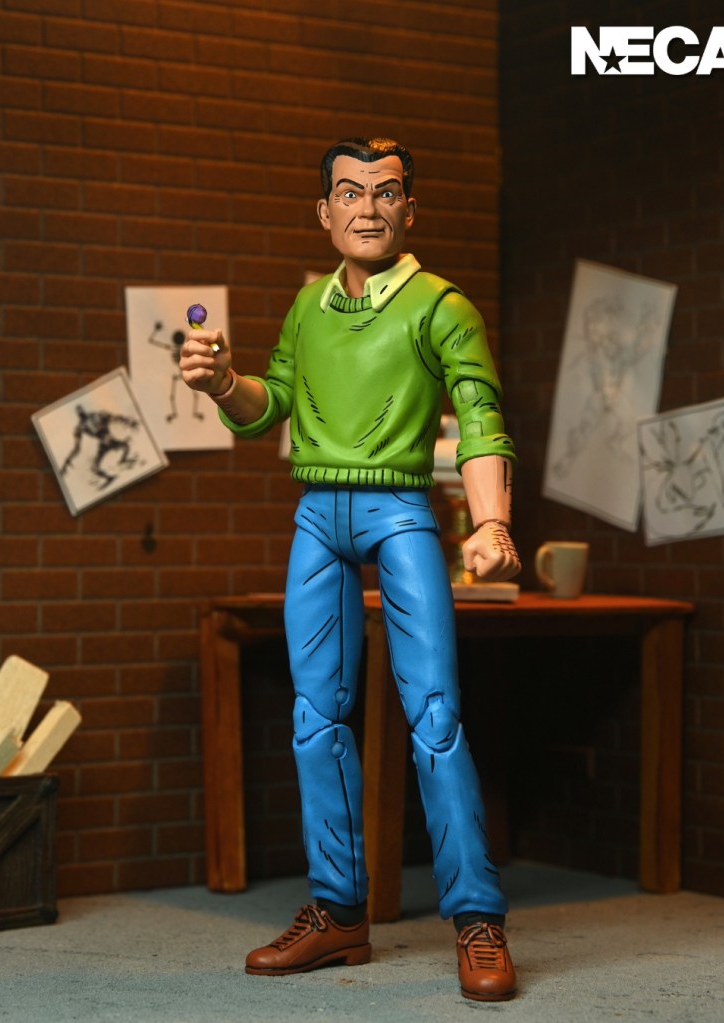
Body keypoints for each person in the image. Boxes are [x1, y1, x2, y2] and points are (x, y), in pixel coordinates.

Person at [180, 137, 521, 1002]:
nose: (367, 208)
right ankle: (337, 909)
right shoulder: (309, 306)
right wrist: (221, 382)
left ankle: (476, 917)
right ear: (324, 211)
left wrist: (490, 520)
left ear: (409, 208)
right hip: (316, 516)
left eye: (385, 192)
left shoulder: (440, 305)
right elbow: (271, 404)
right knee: (315, 716)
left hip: (400, 510)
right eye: (349, 193)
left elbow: (480, 412)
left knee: (433, 713)